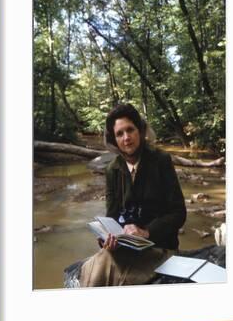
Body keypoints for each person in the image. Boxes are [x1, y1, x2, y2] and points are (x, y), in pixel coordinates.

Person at [79, 103, 187, 287]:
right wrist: (107, 238)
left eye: (130, 130)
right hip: (126, 249)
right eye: (119, 133)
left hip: (160, 248)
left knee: (105, 270)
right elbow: (112, 216)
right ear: (114, 140)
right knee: (95, 264)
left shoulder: (161, 160)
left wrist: (146, 232)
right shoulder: (112, 169)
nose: (126, 138)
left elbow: (179, 213)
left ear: (141, 131)